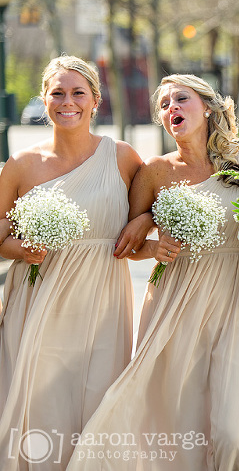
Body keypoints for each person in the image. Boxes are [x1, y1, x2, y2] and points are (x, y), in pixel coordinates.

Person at [68, 74, 239, 470]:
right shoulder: (155, 171)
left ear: (207, 107)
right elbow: (125, 245)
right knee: (177, 416)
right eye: (164, 105)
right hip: (176, 296)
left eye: (181, 99)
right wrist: (152, 245)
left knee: (234, 430)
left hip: (236, 293)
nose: (171, 108)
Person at [0, 55, 143, 469]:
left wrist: (147, 220)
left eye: (78, 92)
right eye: (57, 93)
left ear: (95, 100)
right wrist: (21, 250)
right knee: (40, 409)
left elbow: (150, 206)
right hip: (38, 301)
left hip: (103, 303)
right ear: (44, 100)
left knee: (96, 407)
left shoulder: (123, 157)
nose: (68, 102)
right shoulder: (22, 165)